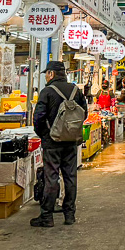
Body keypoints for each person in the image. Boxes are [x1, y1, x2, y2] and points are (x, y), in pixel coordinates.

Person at [31, 61, 88, 227]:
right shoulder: (76, 91)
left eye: (46, 74)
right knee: (70, 177)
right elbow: (83, 114)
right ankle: (69, 215)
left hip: (52, 143)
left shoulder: (47, 91)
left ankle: (47, 216)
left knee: (51, 177)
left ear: (51, 74)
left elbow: (38, 118)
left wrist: (45, 135)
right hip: (71, 142)